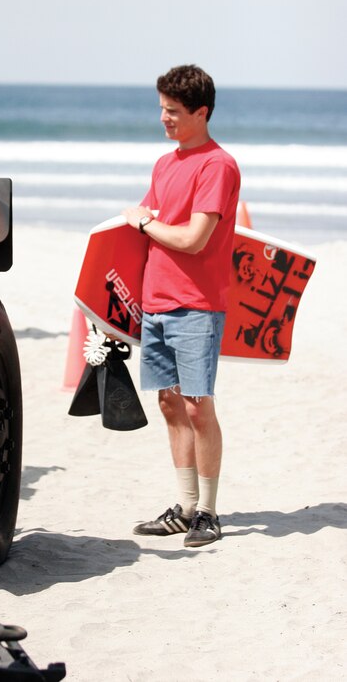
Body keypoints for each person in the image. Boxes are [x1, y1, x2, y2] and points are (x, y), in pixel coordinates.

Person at [123, 65, 240, 547]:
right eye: (162, 109)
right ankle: (186, 506)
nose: (164, 119)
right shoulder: (165, 164)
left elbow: (193, 238)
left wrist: (144, 224)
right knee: (170, 404)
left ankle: (208, 512)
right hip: (155, 302)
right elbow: (145, 219)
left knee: (197, 406)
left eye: (172, 112)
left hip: (196, 304)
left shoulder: (218, 165)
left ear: (201, 112)